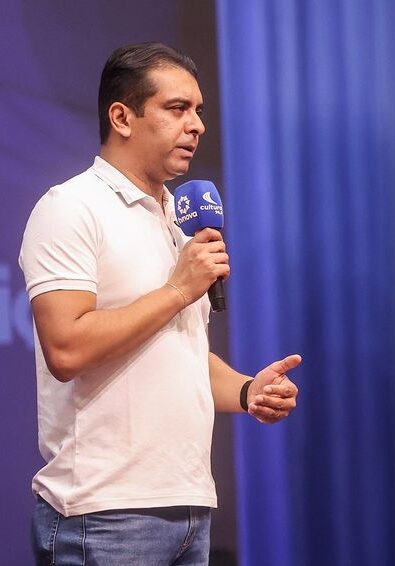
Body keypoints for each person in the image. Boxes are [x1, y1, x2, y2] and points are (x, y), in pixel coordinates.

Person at [19, 42, 301, 564]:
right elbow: (66, 349)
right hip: (103, 514)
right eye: (177, 109)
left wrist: (246, 390)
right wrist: (177, 290)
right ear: (122, 117)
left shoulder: (178, 219)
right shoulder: (71, 208)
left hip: (189, 507)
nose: (197, 125)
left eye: (199, 112)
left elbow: (177, 355)